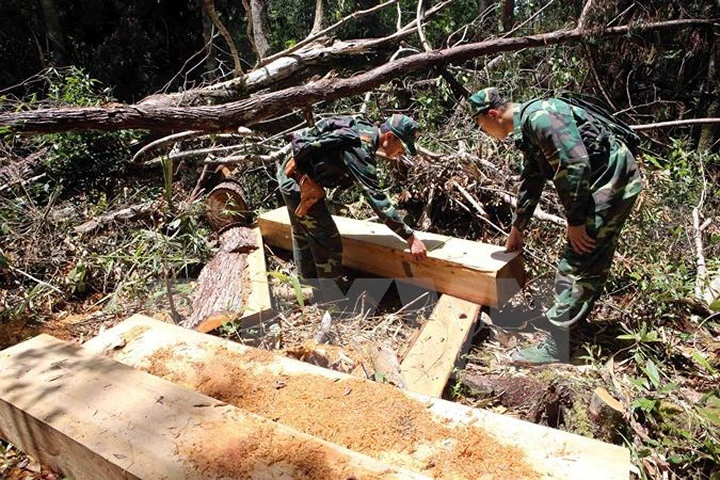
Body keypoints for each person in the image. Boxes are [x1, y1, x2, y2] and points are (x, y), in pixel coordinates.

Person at [468, 87, 643, 364]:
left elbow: (575, 166)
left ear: (493, 114)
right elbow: (532, 178)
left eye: (482, 126)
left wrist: (575, 222)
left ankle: (555, 347)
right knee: (590, 258)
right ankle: (574, 322)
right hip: (608, 181)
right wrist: (518, 227)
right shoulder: (528, 126)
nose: (484, 132)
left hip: (611, 182)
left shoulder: (540, 118)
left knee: (576, 261)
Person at [277, 113, 428, 303]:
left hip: (292, 174)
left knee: (303, 231)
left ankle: (307, 287)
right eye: (402, 147)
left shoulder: (365, 129)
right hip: (297, 183)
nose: (402, 153)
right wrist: (410, 238)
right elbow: (377, 199)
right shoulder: (360, 150)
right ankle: (333, 300)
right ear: (389, 136)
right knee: (328, 240)